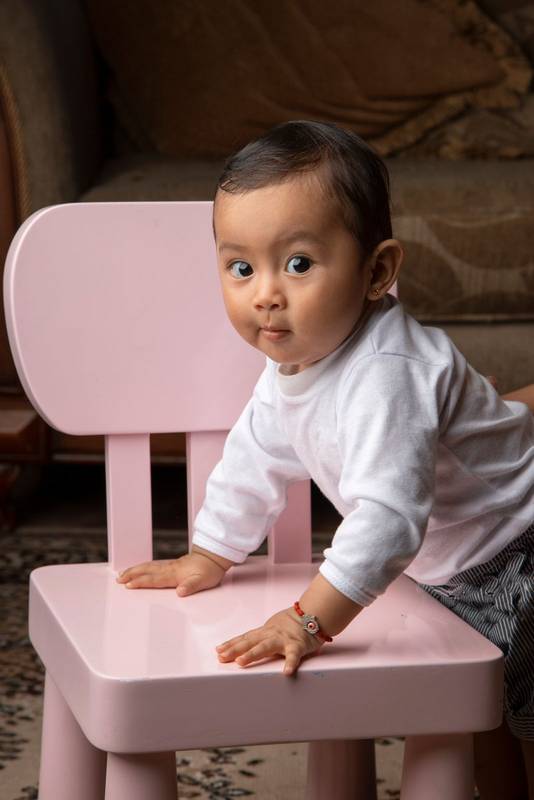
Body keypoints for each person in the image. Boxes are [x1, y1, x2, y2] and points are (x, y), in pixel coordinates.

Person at [117, 121, 534, 799]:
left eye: (299, 264)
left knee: (522, 714)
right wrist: (212, 552)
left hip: (514, 549)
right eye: (241, 268)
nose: (265, 294)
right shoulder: (296, 361)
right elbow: (253, 458)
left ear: (377, 272)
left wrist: (307, 619)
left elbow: (388, 519)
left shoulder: (386, 374)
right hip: (450, 566)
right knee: (481, 720)